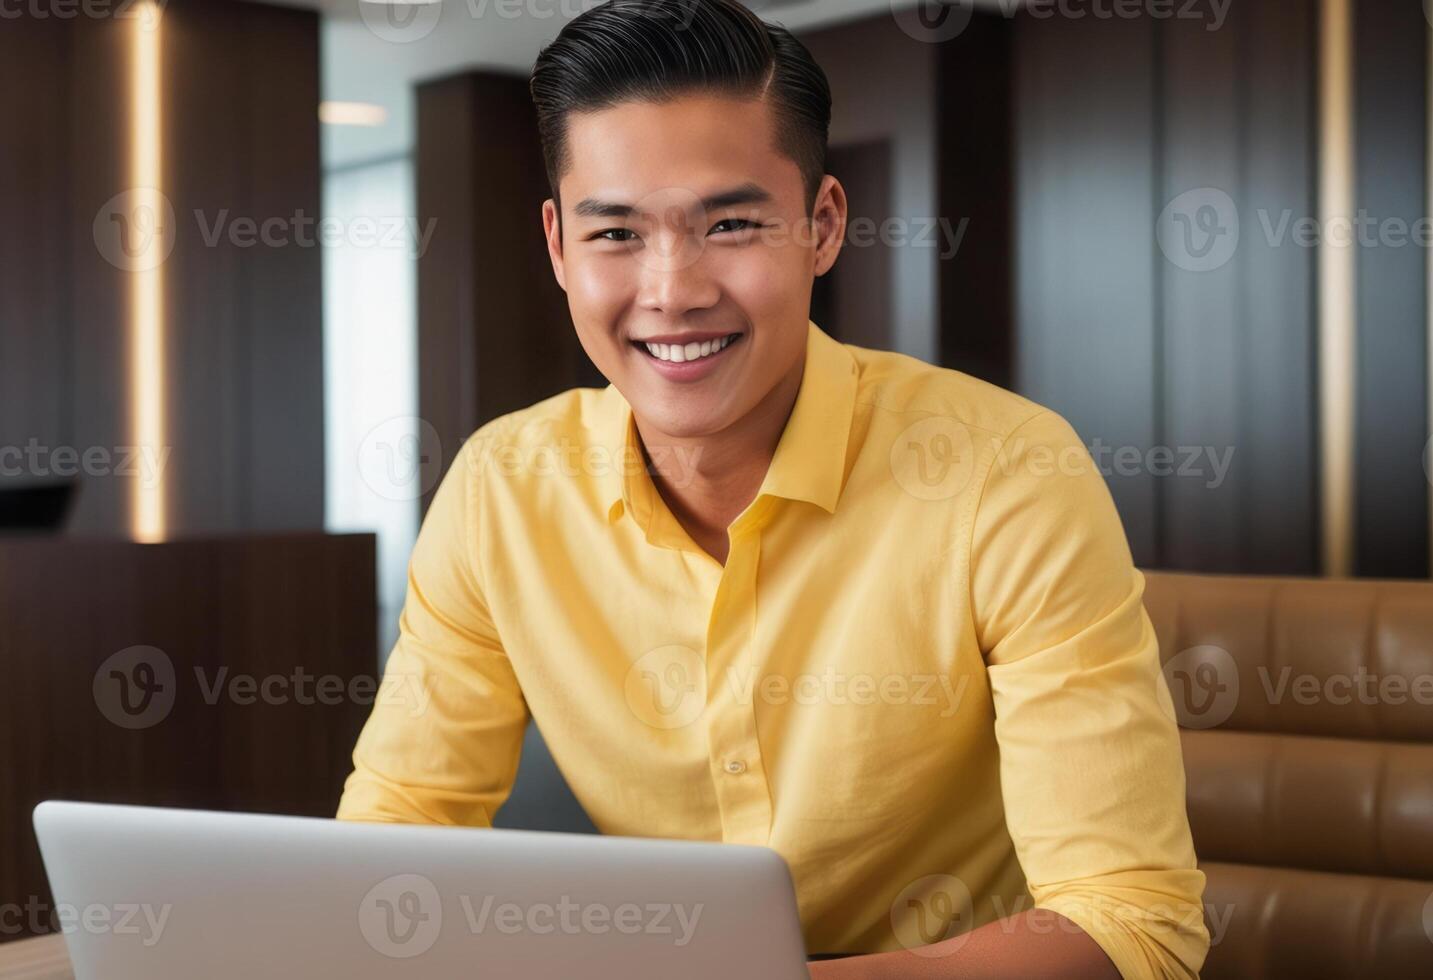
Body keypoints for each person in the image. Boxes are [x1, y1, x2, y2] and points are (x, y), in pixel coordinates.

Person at [337, 1, 1208, 976]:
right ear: (557, 248)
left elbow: (1133, 921)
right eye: (616, 232)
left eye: (730, 222)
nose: (671, 290)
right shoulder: (500, 488)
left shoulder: (1002, 474)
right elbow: (392, 847)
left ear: (820, 225)